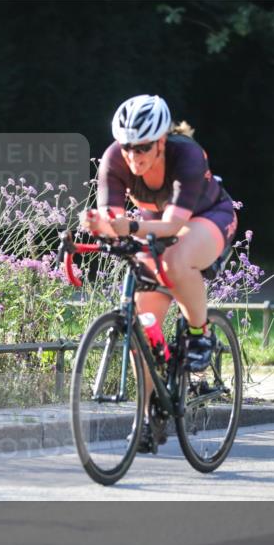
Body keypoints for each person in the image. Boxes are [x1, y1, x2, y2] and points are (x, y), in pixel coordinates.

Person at [80, 94, 238, 450]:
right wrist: (94, 224)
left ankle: (200, 333)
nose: (134, 157)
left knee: (175, 261)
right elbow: (111, 219)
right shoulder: (113, 160)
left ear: (162, 142)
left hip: (208, 216)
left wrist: (128, 227)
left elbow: (173, 225)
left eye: (144, 148)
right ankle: (149, 417)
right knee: (143, 325)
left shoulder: (187, 155)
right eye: (127, 147)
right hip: (153, 224)